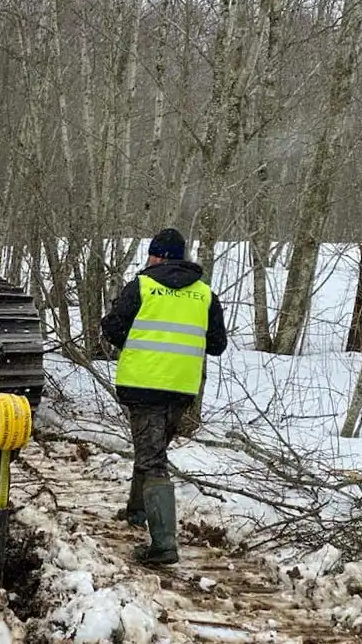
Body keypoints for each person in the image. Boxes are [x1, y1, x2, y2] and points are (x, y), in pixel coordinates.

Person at [100, 228, 228, 565]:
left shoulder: (141, 286)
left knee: (151, 458)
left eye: (151, 254)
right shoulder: (205, 295)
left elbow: (112, 329)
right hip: (181, 388)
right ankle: (137, 511)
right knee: (153, 450)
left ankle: (164, 545)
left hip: (144, 384)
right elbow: (217, 345)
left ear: (158, 256)